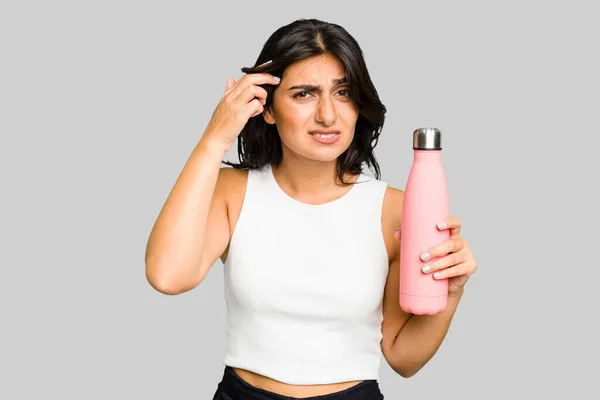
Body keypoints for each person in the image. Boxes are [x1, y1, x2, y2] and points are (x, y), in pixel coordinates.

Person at [145, 18, 478, 399]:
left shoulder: (398, 210)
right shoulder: (232, 192)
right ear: (266, 108)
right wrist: (215, 137)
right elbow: (168, 276)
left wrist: (450, 294)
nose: (327, 115)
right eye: (304, 94)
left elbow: (403, 357)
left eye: (343, 92)